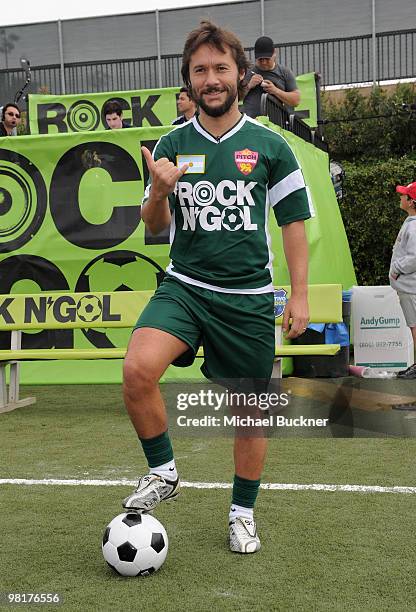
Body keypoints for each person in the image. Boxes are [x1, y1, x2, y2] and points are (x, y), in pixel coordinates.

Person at [122, 20, 311, 554]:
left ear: (241, 75)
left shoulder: (271, 145)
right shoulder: (170, 144)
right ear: (189, 81)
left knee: (249, 412)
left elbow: (293, 223)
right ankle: (164, 471)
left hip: (248, 298)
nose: (211, 78)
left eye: (220, 68)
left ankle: (242, 512)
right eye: (200, 70)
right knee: (138, 369)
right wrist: (158, 192)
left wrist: (298, 295)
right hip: (185, 286)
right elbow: (153, 226)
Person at [389, 181, 416, 379]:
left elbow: (414, 257)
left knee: (415, 326)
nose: (401, 197)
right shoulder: (411, 223)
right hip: (408, 286)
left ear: (412, 201)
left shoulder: (414, 227)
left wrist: (396, 269)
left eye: (404, 195)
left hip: (411, 286)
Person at [243, 36, 300, 118]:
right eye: (260, 59)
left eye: (267, 59)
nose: (264, 62)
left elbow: (296, 101)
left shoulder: (284, 72)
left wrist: (275, 90)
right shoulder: (247, 72)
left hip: (275, 125)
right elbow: (233, 98)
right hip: (252, 124)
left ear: (274, 53)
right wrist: (249, 86)